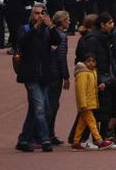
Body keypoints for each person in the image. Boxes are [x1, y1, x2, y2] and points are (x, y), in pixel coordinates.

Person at [16, 3, 61, 152]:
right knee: (40, 108)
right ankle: (45, 139)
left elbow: (57, 41)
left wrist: (51, 26)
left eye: (42, 13)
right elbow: (22, 43)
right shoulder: (26, 29)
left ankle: (23, 139)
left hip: (44, 75)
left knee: (39, 108)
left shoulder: (47, 31)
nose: (39, 16)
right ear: (32, 15)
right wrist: (36, 27)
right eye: (36, 13)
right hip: (30, 75)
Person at [71, 54, 113, 150]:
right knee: (92, 122)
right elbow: (81, 90)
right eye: (88, 61)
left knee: (82, 123)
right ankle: (99, 141)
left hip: (89, 102)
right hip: (86, 104)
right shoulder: (82, 74)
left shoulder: (92, 72)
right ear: (84, 62)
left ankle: (76, 142)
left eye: (93, 61)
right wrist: (83, 104)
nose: (91, 63)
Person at [45, 11, 70, 147]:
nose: (69, 22)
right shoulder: (62, 36)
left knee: (50, 103)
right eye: (67, 20)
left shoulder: (49, 33)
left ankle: (48, 133)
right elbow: (61, 57)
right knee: (53, 104)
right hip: (55, 74)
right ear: (62, 21)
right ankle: (49, 134)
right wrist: (66, 76)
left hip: (48, 71)